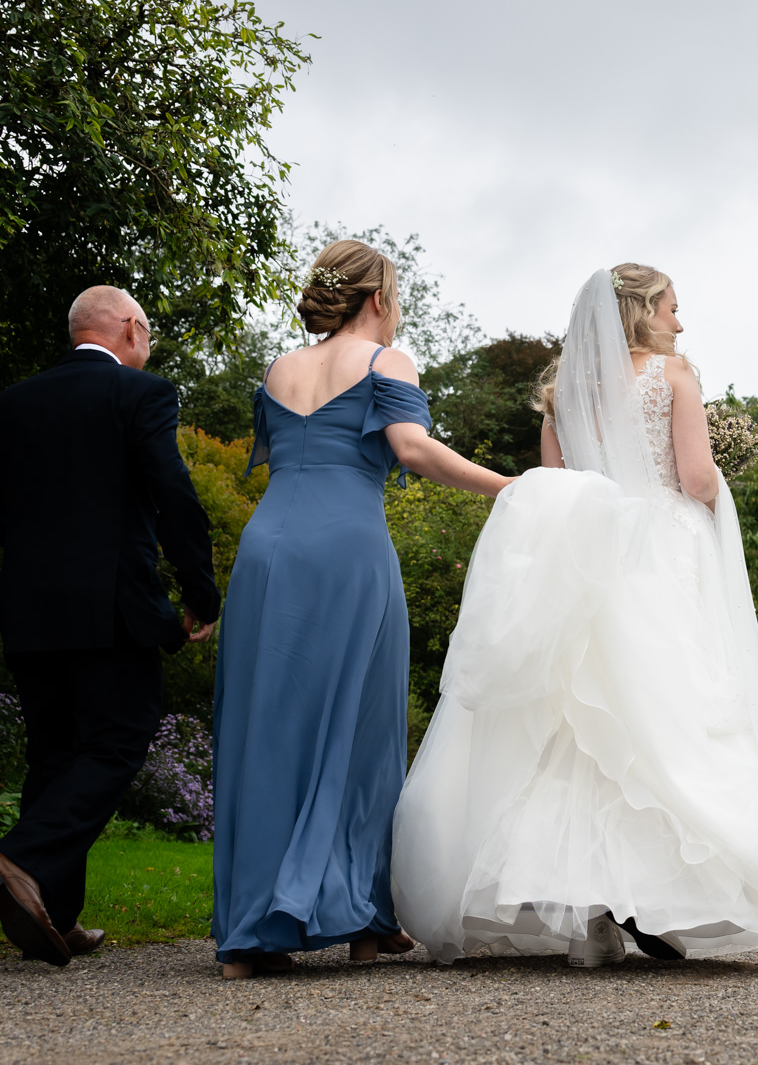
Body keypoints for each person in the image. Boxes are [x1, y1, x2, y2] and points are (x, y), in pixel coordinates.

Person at [393, 264, 758, 966]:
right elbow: (695, 478)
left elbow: (555, 490)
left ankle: (588, 906)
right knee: (663, 718)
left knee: (580, 724)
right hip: (662, 554)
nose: (680, 321)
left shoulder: (562, 393)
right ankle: (647, 893)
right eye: (672, 305)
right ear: (640, 310)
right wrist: (720, 500)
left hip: (585, 562)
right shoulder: (674, 376)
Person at [210, 240, 513, 979]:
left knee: (266, 727)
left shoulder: (281, 367)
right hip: (347, 552)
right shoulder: (387, 362)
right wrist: (511, 487)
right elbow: (411, 449)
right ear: (379, 296)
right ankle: (364, 922)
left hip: (268, 551)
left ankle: (251, 935)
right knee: (362, 727)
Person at [0, 285, 221, 966]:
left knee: (54, 753)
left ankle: (51, 912)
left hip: (29, 606)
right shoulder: (140, 395)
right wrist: (201, 591)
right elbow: (173, 494)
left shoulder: (10, 404)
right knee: (117, 740)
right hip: (111, 606)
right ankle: (15, 858)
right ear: (131, 330)